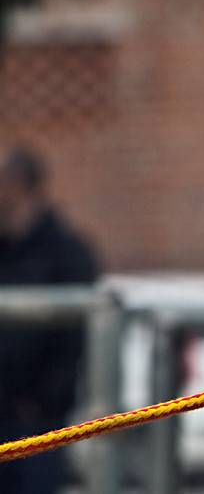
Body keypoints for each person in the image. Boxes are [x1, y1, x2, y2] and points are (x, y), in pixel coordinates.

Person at [0, 147, 99, 494]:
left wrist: (48, 398)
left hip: (39, 419)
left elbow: (77, 335)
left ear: (20, 187)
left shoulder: (66, 251)